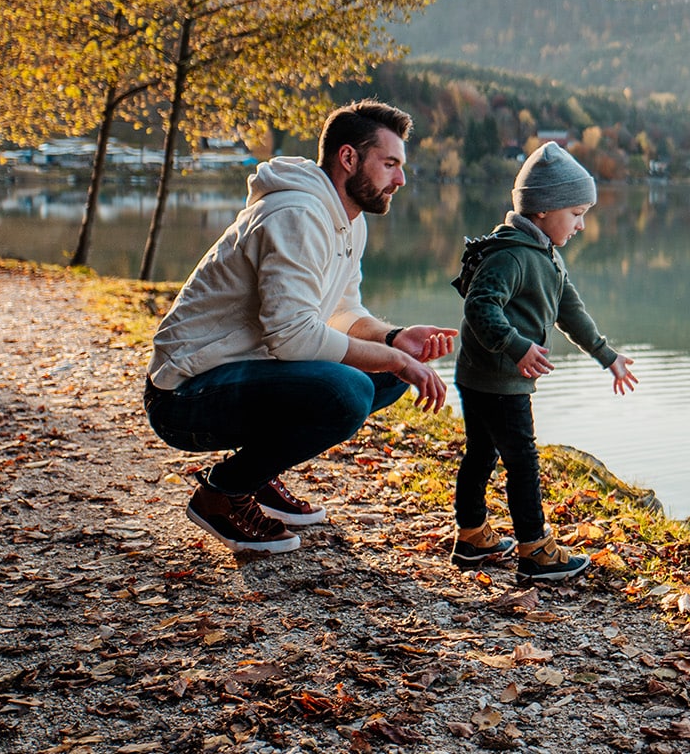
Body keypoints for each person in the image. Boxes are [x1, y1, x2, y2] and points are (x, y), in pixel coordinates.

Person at [145, 100, 457, 555]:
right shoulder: (297, 215)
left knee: (385, 378)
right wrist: (394, 358)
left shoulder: (348, 221)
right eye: (389, 164)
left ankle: (255, 472)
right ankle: (220, 495)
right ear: (348, 158)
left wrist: (393, 341)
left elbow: (341, 312)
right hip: (183, 394)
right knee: (347, 390)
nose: (401, 179)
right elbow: (293, 335)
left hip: (244, 372)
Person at [451, 141, 636, 582]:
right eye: (575, 214)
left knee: (482, 452)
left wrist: (606, 355)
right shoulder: (511, 255)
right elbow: (480, 306)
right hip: (498, 380)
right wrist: (516, 346)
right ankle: (535, 550)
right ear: (542, 211)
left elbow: (569, 311)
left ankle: (472, 535)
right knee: (522, 460)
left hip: (481, 375)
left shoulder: (545, 256)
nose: (582, 226)